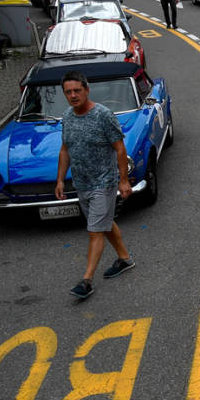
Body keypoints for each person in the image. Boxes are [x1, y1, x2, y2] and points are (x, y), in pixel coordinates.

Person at [56, 70, 134, 300]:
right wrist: (60, 179)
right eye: (68, 92)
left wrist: (123, 180)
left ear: (87, 90)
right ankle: (125, 259)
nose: (73, 95)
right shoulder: (67, 117)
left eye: (77, 90)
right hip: (82, 183)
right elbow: (65, 149)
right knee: (104, 224)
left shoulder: (104, 115)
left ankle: (87, 280)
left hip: (104, 183)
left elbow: (120, 148)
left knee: (95, 230)